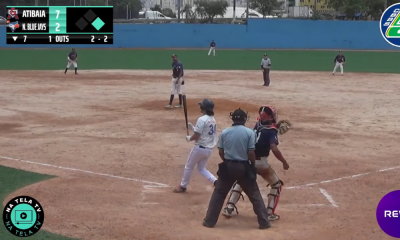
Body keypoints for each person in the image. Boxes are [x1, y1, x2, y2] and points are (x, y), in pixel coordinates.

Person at [203, 108, 271, 229]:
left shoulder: (224, 132)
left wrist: (227, 161)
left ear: (232, 118)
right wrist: (251, 165)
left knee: (219, 194)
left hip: (228, 166)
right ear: (245, 119)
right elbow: (251, 152)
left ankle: (209, 221)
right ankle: (264, 223)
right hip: (244, 166)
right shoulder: (250, 133)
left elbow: (221, 152)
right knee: (255, 195)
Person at [221, 105, 290, 221]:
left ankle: (229, 207)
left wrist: (275, 128)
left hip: (248, 160)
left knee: (241, 181)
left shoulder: (258, 124)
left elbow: (261, 133)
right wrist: (284, 162)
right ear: (271, 116)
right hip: (261, 163)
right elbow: (274, 148)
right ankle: (269, 212)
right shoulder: (271, 131)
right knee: (276, 184)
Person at [172, 99, 217, 193]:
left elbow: (197, 135)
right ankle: (216, 181)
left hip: (199, 148)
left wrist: (190, 138)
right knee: (201, 168)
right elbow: (204, 132)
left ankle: (183, 186)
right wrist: (193, 128)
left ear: (203, 108)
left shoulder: (202, 119)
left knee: (189, 166)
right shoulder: (213, 119)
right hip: (209, 150)